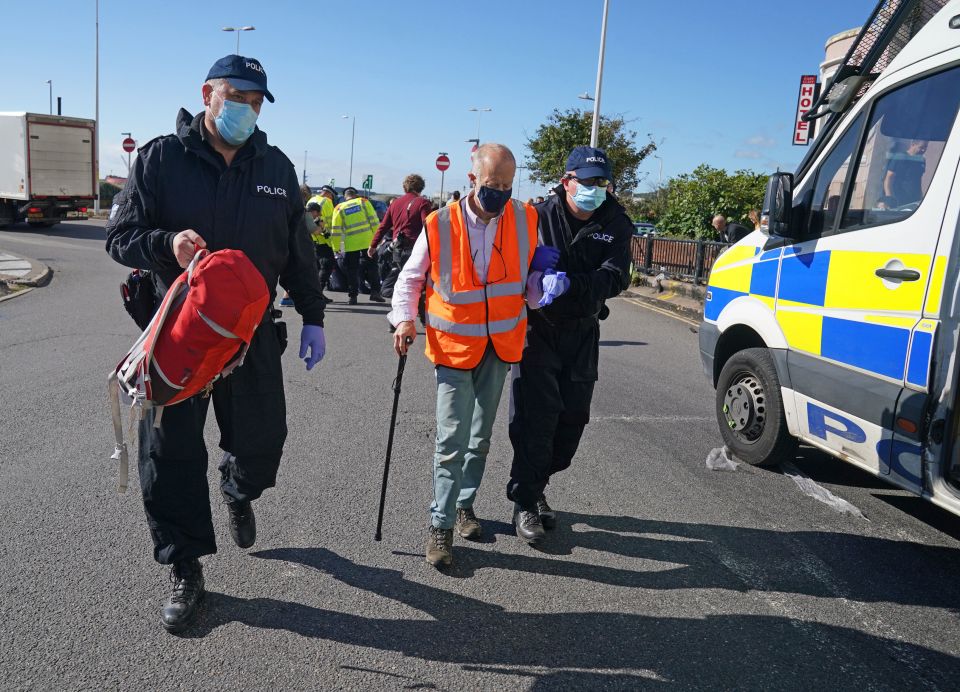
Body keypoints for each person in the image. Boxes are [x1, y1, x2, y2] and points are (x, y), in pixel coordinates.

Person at [104, 54, 327, 633]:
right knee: (169, 455)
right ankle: (185, 568)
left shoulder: (275, 167)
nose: (247, 110)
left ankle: (239, 488)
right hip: (175, 341)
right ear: (208, 93)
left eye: (257, 101)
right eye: (238, 96)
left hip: (251, 339)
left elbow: (298, 250)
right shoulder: (159, 159)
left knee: (262, 442)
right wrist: (164, 243)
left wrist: (314, 315)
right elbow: (120, 237)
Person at [388, 143, 560, 568]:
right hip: (452, 347)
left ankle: (465, 505)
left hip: (500, 346)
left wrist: (546, 283)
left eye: (506, 185)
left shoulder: (525, 218)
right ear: (472, 180)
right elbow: (411, 280)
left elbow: (529, 289)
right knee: (451, 439)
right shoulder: (439, 223)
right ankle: (441, 526)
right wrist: (405, 320)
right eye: (491, 185)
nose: (499, 193)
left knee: (480, 438)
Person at [506, 145, 632, 545]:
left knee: (571, 422)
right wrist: (535, 283)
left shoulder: (616, 221)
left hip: (582, 331)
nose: (594, 189)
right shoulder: (537, 217)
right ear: (566, 181)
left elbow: (617, 276)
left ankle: (539, 483)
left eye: (601, 182)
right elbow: (513, 266)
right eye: (586, 181)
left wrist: (571, 284)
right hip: (538, 330)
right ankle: (525, 500)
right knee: (536, 418)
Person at [369, 174, 432, 302]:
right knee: (416, 284)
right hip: (415, 250)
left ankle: (399, 313)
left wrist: (373, 245)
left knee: (401, 280)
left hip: (397, 249)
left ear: (405, 188)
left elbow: (383, 226)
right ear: (421, 188)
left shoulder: (395, 203)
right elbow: (428, 226)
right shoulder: (423, 202)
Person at [331, 187, 385, 304]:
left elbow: (336, 230)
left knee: (352, 270)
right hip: (368, 242)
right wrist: (378, 239)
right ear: (355, 195)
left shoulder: (339, 208)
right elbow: (374, 221)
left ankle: (353, 296)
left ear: (345, 197)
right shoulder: (363, 202)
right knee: (372, 267)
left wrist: (336, 248)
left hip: (351, 244)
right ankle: (375, 292)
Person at [307, 185, 338, 303]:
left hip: (313, 240)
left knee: (317, 268)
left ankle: (317, 293)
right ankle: (318, 293)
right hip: (324, 240)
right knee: (327, 266)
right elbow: (331, 222)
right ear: (328, 194)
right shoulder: (327, 202)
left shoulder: (312, 200)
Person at [881, 139, 927, 208]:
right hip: (900, 200)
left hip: (915, 200)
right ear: (913, 144)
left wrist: (921, 197)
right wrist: (889, 198)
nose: (923, 150)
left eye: (926, 147)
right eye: (921, 147)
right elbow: (888, 178)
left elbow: (918, 180)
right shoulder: (900, 157)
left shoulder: (921, 160)